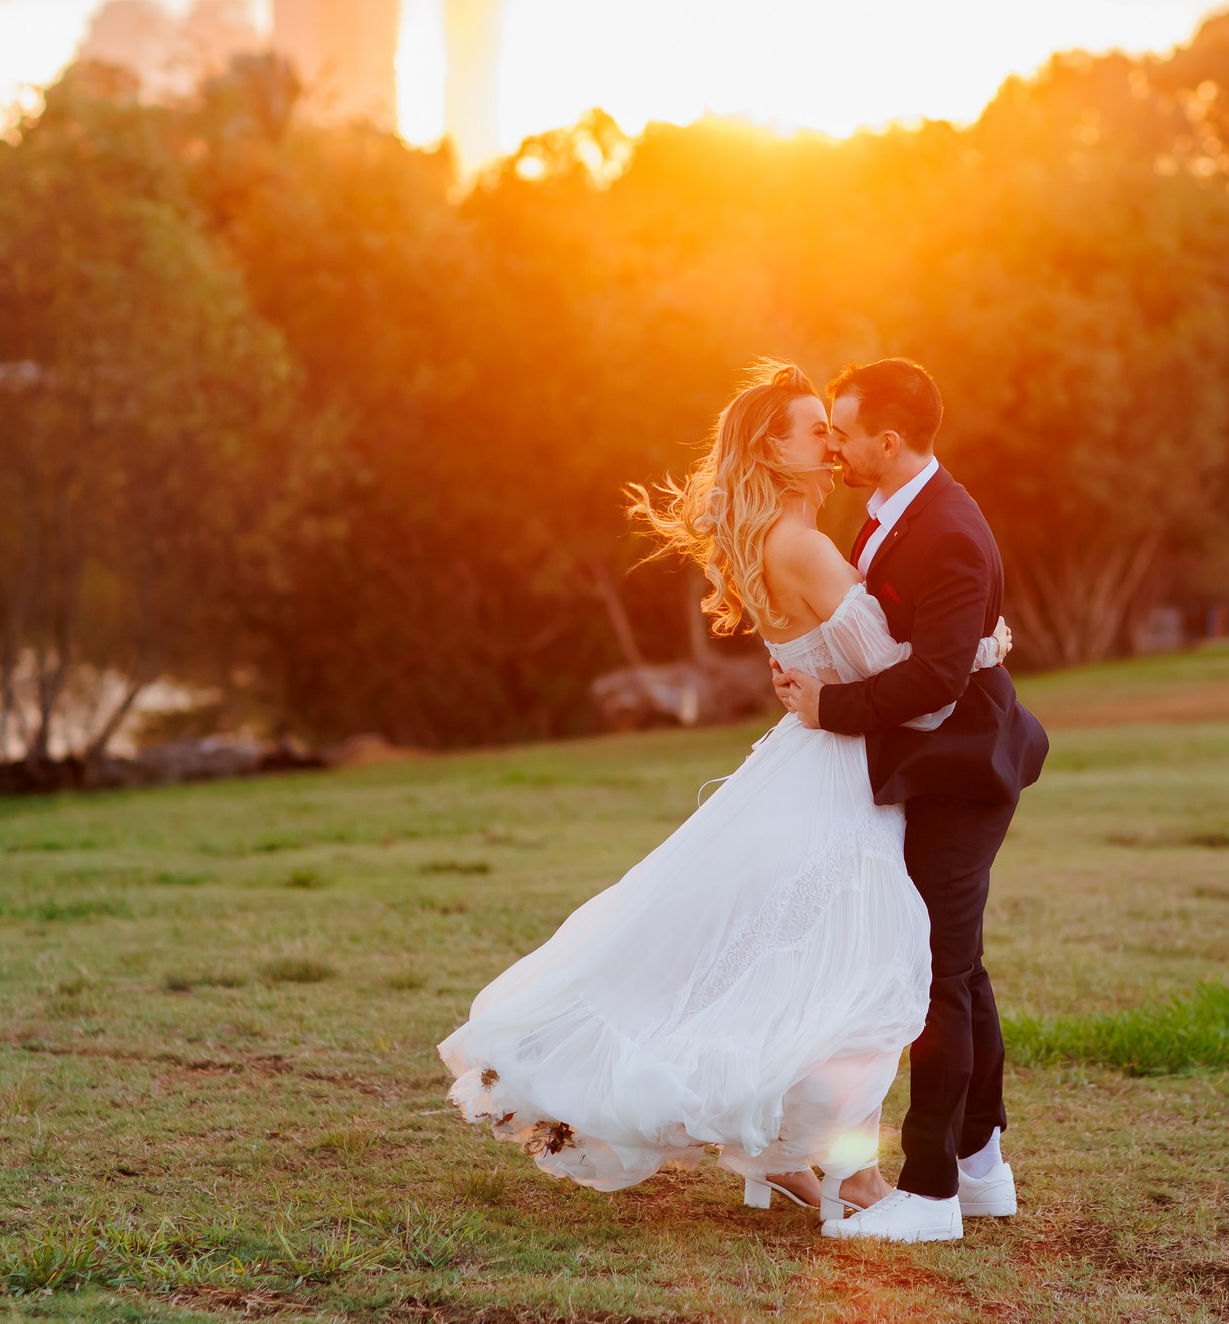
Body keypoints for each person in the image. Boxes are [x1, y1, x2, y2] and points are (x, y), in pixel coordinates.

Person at [436, 361, 1015, 1236]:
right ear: (773, 453)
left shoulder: (773, 541)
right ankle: (844, 1169)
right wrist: (983, 646)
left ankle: (807, 1162)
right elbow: (896, 671)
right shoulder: (810, 547)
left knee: (805, 964)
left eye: (835, 426)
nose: (831, 442)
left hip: (812, 757)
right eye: (813, 429)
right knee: (846, 975)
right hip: (842, 771)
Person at [776, 358, 1048, 1243]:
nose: (837, 446)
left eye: (845, 432)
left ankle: (930, 1195)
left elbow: (935, 677)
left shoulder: (951, 530)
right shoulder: (891, 513)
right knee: (959, 969)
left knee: (938, 973)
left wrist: (832, 707)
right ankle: (980, 1167)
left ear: (887, 441)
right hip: (933, 767)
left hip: (966, 772)